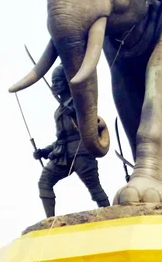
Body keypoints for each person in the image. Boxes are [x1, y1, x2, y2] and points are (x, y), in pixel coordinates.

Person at [33, 65, 110, 218]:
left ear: (67, 81)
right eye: (53, 82)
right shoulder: (59, 110)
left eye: (58, 81)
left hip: (82, 152)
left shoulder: (80, 102)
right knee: (44, 181)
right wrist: (44, 151)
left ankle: (110, 212)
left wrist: (75, 113)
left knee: (94, 188)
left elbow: (92, 122)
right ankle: (50, 220)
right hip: (62, 155)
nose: (55, 85)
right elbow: (62, 139)